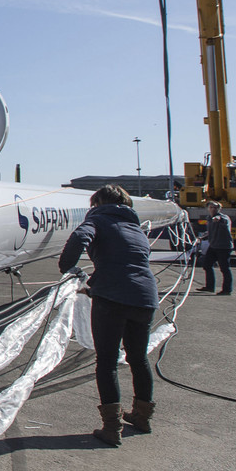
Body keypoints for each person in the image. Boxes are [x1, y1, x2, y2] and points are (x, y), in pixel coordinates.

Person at [58, 184, 160, 446]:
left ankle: (111, 428)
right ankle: (141, 417)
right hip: (145, 297)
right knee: (139, 359)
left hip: (113, 297)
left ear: (98, 203)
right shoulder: (135, 226)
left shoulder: (99, 220)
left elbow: (80, 238)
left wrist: (68, 267)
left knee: (107, 362)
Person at [200, 200, 233, 295]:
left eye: (215, 208)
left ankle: (227, 290)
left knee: (224, 268)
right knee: (207, 265)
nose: (213, 209)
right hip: (214, 246)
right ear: (208, 208)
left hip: (223, 247)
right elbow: (210, 232)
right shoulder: (209, 218)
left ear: (219, 209)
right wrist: (202, 237)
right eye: (211, 207)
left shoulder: (223, 217)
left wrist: (218, 219)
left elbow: (223, 221)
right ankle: (210, 286)